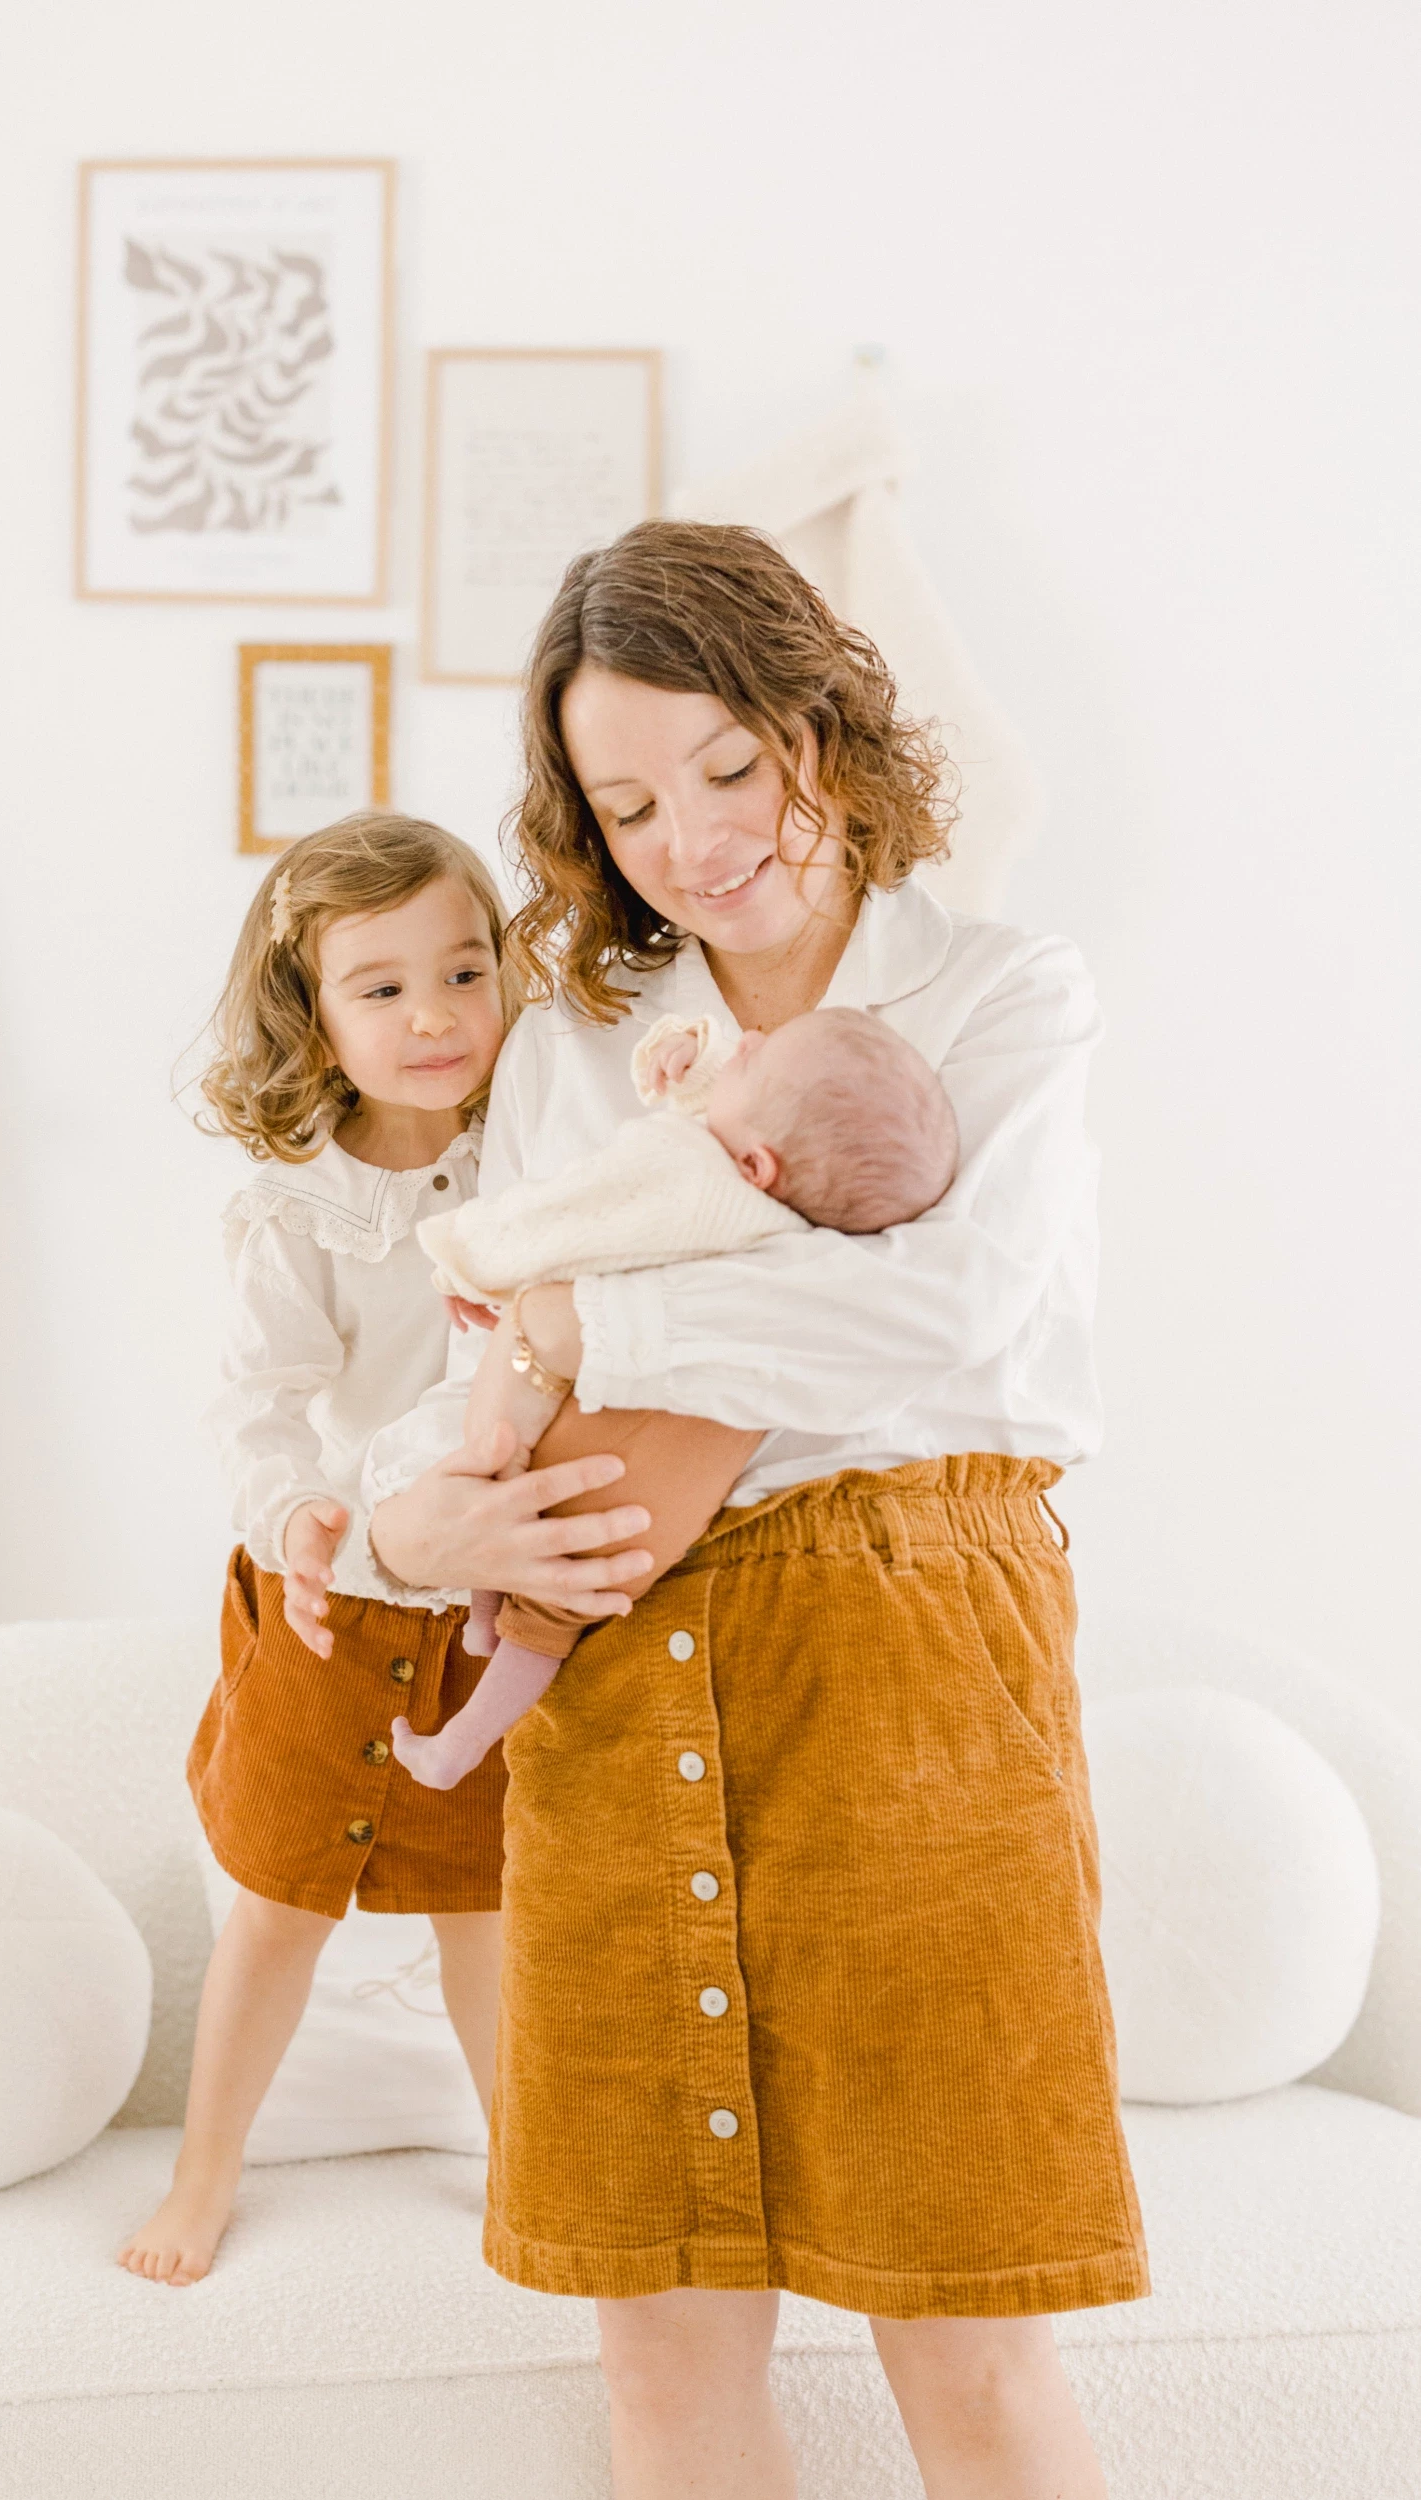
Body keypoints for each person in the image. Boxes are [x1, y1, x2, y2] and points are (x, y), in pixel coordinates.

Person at [357, 524, 1148, 2499]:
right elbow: (458, 1340)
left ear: (820, 716)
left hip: (911, 1652)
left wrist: (586, 1316)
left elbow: (946, 1306)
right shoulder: (563, 1043)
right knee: (663, 2377)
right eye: (624, 805)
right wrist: (414, 1532)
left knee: (969, 2361)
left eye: (723, 767)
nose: (690, 840)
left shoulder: (993, 993)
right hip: (614, 1659)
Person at [118, 811, 514, 2287]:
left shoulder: (529, 1160)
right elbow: (257, 1408)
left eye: (462, 971)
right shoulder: (296, 1214)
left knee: (484, 1908)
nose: (433, 1017)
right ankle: (205, 2175)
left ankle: (514, 2166)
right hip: (330, 1609)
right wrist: (296, 1517)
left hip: (479, 1615)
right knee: (280, 1910)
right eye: (383, 986)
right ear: (313, 1010)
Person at [390, 1004, 958, 1790]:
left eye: (752, 1058)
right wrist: (708, 1058)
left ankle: (460, 1730)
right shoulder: (803, 1233)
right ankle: (472, 1693)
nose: (747, 1040)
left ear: (757, 1166)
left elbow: (573, 1219)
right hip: (690, 1466)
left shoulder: (695, 1182)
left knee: (502, 1471)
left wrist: (463, 1261)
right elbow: (754, 1118)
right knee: (552, 1606)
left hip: (600, 1437)